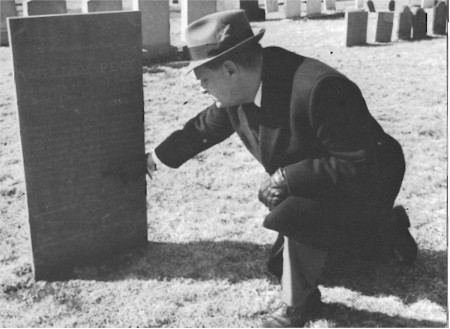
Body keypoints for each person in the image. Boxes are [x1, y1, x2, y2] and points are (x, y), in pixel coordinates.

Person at [145, 10, 418, 327]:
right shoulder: (243, 86)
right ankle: (387, 229)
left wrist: (286, 178)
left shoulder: (320, 88)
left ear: (231, 69)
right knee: (281, 264)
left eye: (203, 79)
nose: (203, 88)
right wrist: (154, 157)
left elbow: (361, 161)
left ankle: (298, 305)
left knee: (294, 222)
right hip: (322, 181)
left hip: (368, 178)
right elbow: (202, 129)